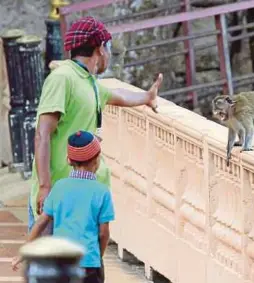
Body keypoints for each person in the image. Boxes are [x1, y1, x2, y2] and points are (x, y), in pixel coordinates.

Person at [29, 16, 163, 234]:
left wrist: (147, 96)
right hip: (56, 197)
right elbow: (42, 134)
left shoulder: (88, 82)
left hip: (80, 195)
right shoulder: (62, 78)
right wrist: (45, 187)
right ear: (101, 48)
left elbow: (118, 95)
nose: (109, 54)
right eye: (108, 48)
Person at [13, 130, 114, 283]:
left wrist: (25, 252)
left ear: (69, 160)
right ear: (97, 160)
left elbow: (41, 222)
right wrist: (97, 256)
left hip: (62, 262)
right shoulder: (102, 192)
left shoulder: (59, 187)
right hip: (90, 263)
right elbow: (103, 233)